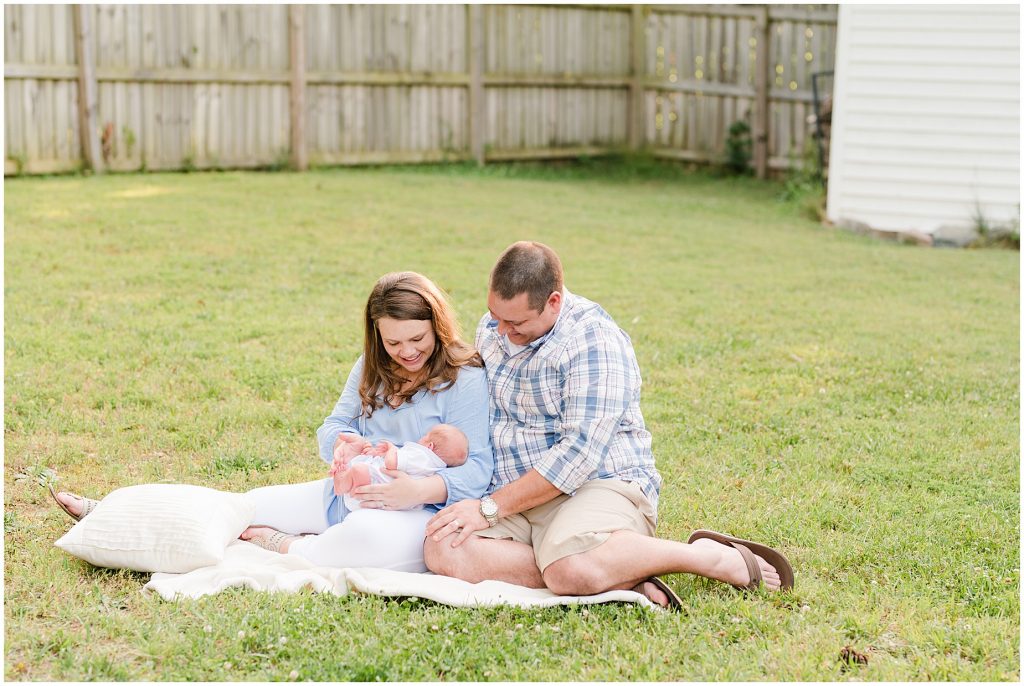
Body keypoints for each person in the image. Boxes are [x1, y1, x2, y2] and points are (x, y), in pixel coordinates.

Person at [423, 242, 794, 608]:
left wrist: (489, 508)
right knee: (442, 547)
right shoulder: (494, 329)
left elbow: (578, 455)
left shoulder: (593, 339)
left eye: (516, 323)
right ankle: (618, 569)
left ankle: (709, 557)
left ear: (553, 302)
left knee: (569, 570)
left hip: (595, 485)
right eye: (494, 316)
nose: (500, 331)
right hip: (517, 493)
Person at [53, 271, 494, 573]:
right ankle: (111, 512)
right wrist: (343, 448)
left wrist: (416, 489)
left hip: (417, 512)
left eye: (417, 339)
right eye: (393, 341)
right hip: (343, 496)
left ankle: (282, 544)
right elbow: (333, 426)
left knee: (363, 540)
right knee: (242, 502)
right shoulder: (371, 366)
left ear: (437, 326)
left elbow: (478, 470)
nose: (407, 351)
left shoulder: (464, 377)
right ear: (376, 335)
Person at [331, 424, 469, 513]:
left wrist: (391, 448)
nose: (420, 439)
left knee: (359, 470)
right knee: (362, 466)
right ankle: (348, 482)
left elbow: (392, 463)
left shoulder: (421, 456)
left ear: (430, 446)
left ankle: (342, 484)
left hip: (378, 484)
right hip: (393, 499)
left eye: (425, 437)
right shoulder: (434, 467)